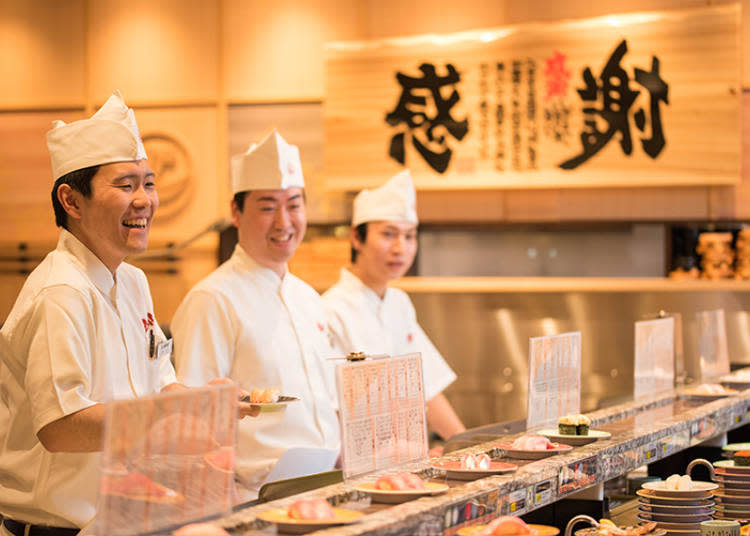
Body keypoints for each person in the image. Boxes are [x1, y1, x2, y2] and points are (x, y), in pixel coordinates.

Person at [0, 92, 255, 536]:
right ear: (71, 201)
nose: (144, 201)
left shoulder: (134, 282)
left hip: (129, 518)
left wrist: (204, 401)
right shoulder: (61, 291)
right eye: (125, 186)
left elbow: (158, 382)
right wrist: (172, 410)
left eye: (149, 183)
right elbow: (61, 427)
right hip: (61, 528)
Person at [172, 129, 340, 494]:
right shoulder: (213, 298)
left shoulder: (309, 298)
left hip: (325, 489)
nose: (283, 222)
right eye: (267, 207)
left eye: (294, 205)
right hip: (255, 498)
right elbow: (193, 423)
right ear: (235, 211)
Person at [322, 170, 465, 453]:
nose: (401, 248)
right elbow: (331, 414)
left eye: (409, 236)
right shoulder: (330, 311)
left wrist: (466, 446)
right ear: (356, 238)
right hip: (358, 463)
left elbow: (428, 388)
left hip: (407, 458)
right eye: (388, 234)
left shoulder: (399, 302)